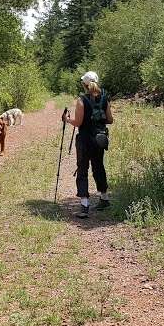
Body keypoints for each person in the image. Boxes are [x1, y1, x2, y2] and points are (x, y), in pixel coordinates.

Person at [62, 71, 114, 218]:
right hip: (100, 139)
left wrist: (66, 119)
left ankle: (85, 205)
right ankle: (104, 198)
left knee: (82, 169)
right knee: (99, 167)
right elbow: (110, 120)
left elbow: (78, 123)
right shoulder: (105, 98)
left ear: (85, 84)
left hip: (85, 140)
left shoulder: (81, 100)